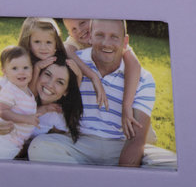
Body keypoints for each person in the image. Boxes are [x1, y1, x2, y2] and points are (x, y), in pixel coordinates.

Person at [28, 19, 176, 167]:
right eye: (99, 35)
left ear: (125, 41)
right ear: (90, 37)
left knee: (172, 165)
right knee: (39, 147)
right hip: (79, 142)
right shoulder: (74, 63)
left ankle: (84, 176)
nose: (106, 43)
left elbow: (136, 140)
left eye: (114, 37)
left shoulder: (142, 78)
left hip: (121, 144)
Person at [63, 18, 142, 138]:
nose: (79, 31)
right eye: (73, 29)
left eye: (82, 23)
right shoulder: (74, 41)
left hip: (117, 91)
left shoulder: (111, 41)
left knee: (139, 126)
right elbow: (66, 50)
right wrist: (93, 76)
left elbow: (135, 64)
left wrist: (126, 106)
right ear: (69, 33)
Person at [17, 17, 105, 108]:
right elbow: (30, 95)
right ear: (28, 42)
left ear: (56, 42)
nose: (43, 47)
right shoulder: (23, 64)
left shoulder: (59, 60)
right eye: (37, 42)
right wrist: (37, 68)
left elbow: (70, 93)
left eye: (48, 42)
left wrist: (79, 75)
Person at [0, 46, 37, 159]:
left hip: (15, 142)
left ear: (32, 68)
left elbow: (25, 111)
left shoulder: (26, 91)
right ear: (5, 71)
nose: (21, 72)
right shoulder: (10, 90)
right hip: (5, 140)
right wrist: (26, 119)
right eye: (15, 68)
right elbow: (3, 111)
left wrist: (46, 109)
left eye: (25, 67)